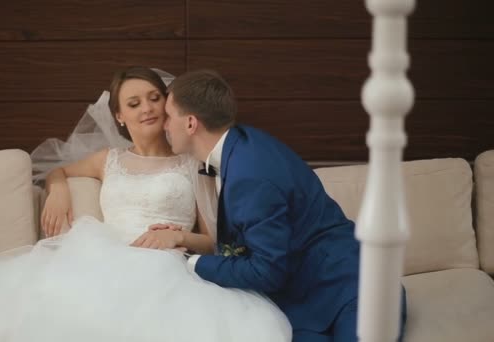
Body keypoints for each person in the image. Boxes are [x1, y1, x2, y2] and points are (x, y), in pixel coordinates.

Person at [0, 66, 291, 342]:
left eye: (155, 98)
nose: (147, 108)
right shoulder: (107, 160)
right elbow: (56, 170)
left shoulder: (191, 163)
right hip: (103, 254)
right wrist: (59, 187)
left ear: (169, 105)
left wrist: (177, 237)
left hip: (166, 265)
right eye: (133, 103)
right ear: (119, 116)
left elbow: (215, 240)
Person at [163, 69, 407, 341]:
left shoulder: (250, 174)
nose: (164, 126)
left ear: (190, 123)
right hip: (304, 298)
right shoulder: (241, 144)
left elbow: (267, 271)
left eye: (169, 116)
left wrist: (192, 263)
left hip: (357, 288)